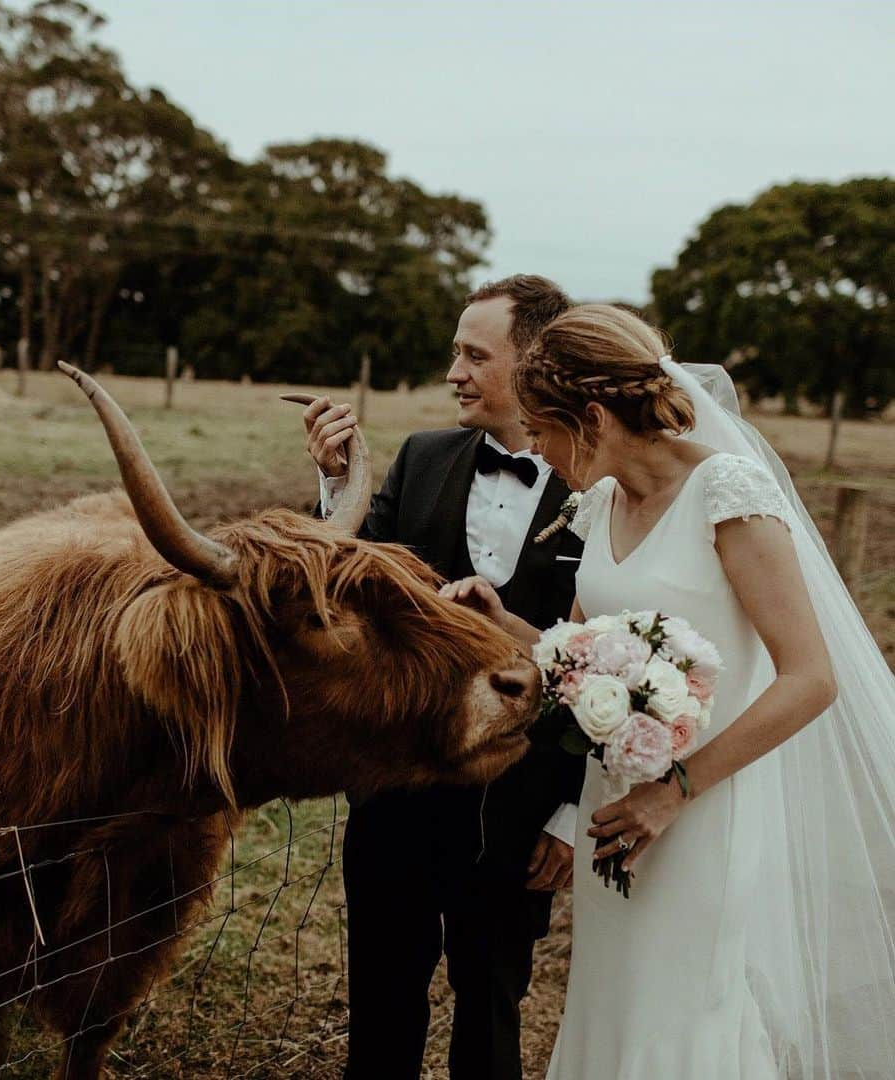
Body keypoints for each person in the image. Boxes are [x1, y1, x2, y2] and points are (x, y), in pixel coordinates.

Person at [452, 303, 895, 1078]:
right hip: (613, 804)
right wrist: (505, 625)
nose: (539, 453)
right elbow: (579, 656)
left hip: (702, 809)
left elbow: (810, 678)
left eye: (543, 431)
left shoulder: (729, 494)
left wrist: (677, 790)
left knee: (685, 1006)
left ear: (591, 416)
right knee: (617, 998)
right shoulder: (602, 499)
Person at [302, 275, 585, 1080]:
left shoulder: (600, 492)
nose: (452, 372)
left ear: (534, 361)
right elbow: (347, 582)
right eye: (454, 353)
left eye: (472, 354)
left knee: (490, 1000)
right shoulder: (423, 457)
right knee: (381, 998)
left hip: (521, 802)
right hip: (398, 785)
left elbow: (611, 660)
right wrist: (335, 484)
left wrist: (570, 812)